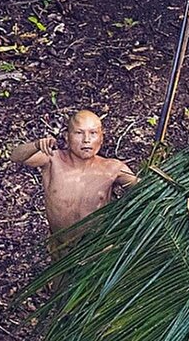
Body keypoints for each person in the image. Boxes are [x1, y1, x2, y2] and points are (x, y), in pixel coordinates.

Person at [10, 110, 138, 256]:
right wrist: (37, 145)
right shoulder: (52, 160)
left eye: (93, 133)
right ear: (67, 137)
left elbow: (144, 191)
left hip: (95, 250)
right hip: (60, 248)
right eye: (79, 133)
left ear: (101, 138)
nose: (86, 140)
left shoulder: (113, 168)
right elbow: (16, 156)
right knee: (60, 278)